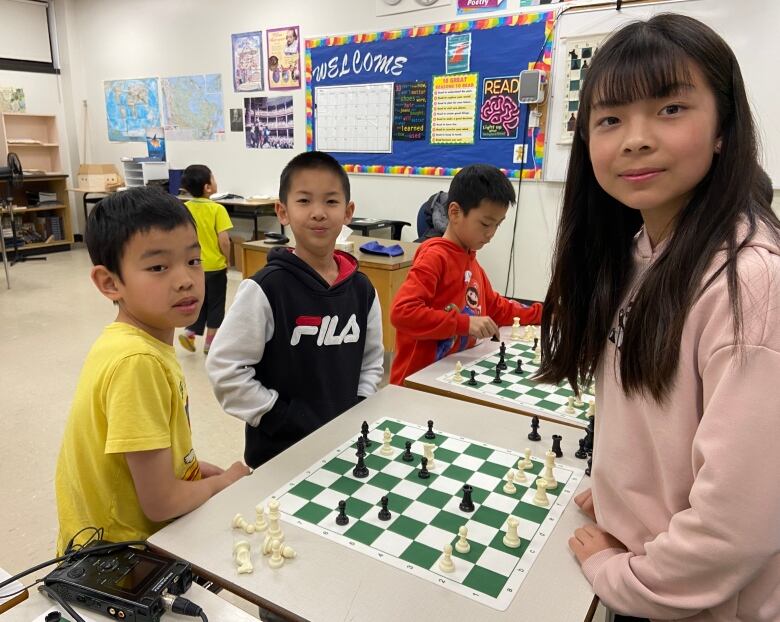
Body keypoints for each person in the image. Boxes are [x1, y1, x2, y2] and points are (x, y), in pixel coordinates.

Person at [535, 14, 780, 622]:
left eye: (671, 109)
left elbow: (738, 525)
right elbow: (658, 416)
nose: (635, 139)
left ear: (725, 127)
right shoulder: (641, 249)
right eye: (610, 119)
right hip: (653, 560)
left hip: (697, 603)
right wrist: (624, 496)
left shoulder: (752, 283)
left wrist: (617, 575)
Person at [55, 188, 249, 554]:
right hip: (119, 556)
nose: (185, 280)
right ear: (110, 283)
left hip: (119, 540)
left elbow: (152, 461)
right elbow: (161, 502)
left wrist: (200, 472)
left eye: (193, 261)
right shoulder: (137, 364)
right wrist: (224, 484)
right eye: (159, 267)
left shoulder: (133, 342)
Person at [206, 151, 384, 468]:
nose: (318, 213)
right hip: (278, 454)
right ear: (282, 211)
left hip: (342, 445)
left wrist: (359, 406)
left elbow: (371, 362)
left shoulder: (362, 290)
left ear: (348, 212)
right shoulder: (265, 289)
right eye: (304, 201)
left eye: (331, 202)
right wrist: (282, 416)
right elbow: (225, 368)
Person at [390, 163, 543, 385]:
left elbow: (498, 309)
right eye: (485, 224)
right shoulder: (435, 258)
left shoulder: (472, 262)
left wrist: (544, 314)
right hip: (415, 383)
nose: (490, 234)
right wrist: (464, 324)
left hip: (450, 377)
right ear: (454, 212)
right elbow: (402, 313)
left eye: (497, 225)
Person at [178, 165, 232, 355]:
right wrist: (228, 260)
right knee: (216, 304)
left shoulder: (183, 209)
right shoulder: (217, 209)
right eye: (213, 178)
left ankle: (190, 333)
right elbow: (224, 240)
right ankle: (210, 343)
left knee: (199, 301)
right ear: (208, 187)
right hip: (215, 266)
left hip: (192, 266)